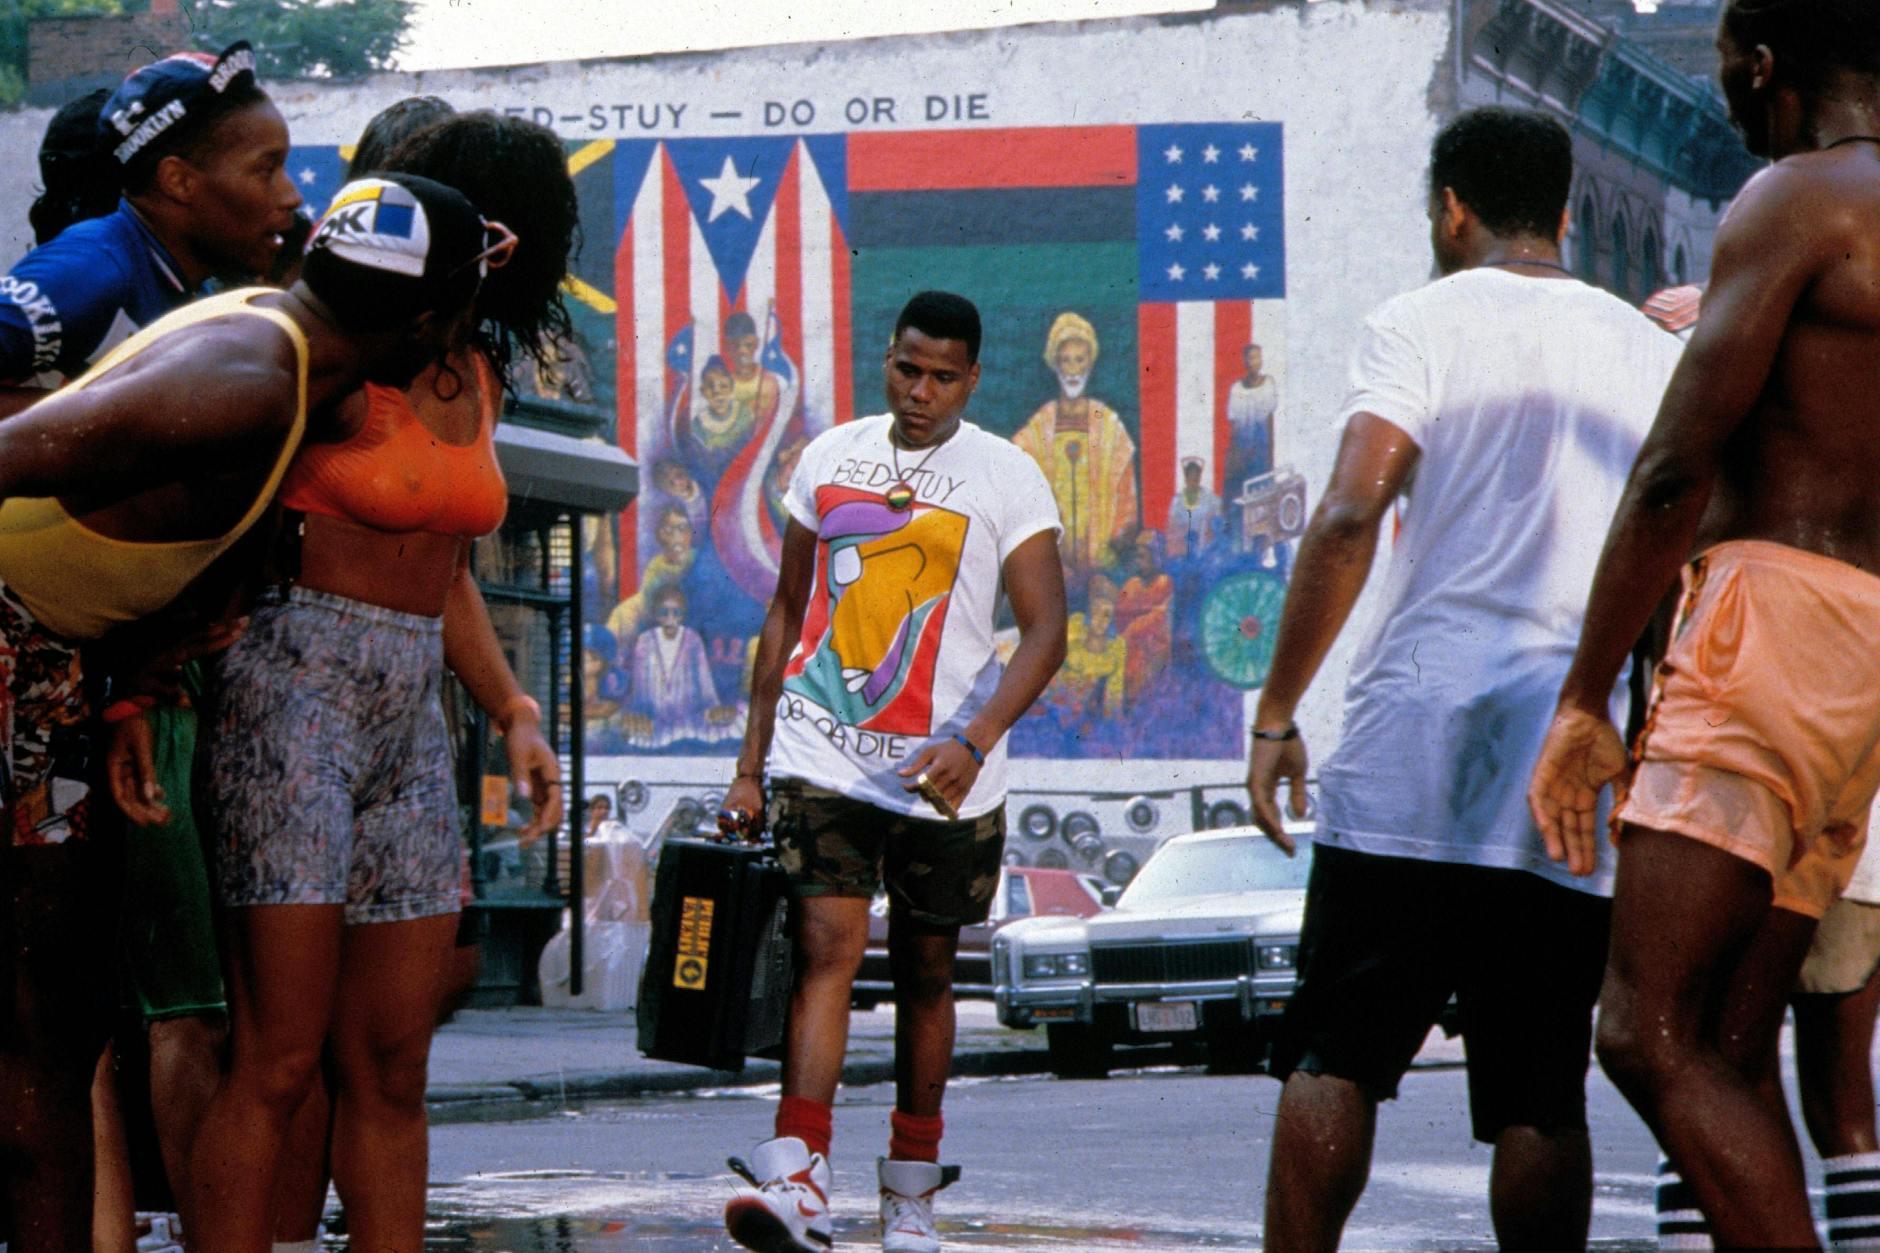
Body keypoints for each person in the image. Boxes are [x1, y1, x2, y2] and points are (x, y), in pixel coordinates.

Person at [0, 169, 490, 1253]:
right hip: (16, 634)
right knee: (43, 1024)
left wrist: (133, 678)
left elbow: (134, 519)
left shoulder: (290, 351)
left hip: (60, 650)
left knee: (62, 1019)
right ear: (424, 317)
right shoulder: (252, 377)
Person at [1245, 107, 1682, 1252]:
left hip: (1409, 745)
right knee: (1539, 1084)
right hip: (1564, 751)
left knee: (1335, 1048)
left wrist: (1277, 709)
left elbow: (1347, 510)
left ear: (1449, 208)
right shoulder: (1648, 348)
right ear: (1567, 214)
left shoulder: (1414, 322)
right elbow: (1676, 550)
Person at [179, 112, 576, 1253]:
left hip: (411, 714)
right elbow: (211, 501)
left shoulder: (480, 371)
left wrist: (510, 705)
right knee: (280, 1052)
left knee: (392, 1060)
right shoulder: (338, 351)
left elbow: (443, 564)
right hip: (291, 691)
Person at [1529, 6, 1880, 1241]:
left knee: (1642, 1026)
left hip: (1768, 624)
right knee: (1731, 1035)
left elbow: (1675, 465)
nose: (1726, 94)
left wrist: (1581, 698)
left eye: (1731, 65)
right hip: (1858, 657)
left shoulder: (1794, 197)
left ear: (1765, 63)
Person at [719, 291, 1065, 1253]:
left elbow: (1047, 632)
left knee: (924, 973)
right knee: (826, 951)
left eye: (943, 376)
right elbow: (787, 614)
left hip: (946, 774)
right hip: (821, 753)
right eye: (908, 369)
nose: (921, 391)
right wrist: (750, 767)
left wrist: (975, 738)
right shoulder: (829, 456)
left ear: (972, 378)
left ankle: (909, 1194)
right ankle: (801, 1176)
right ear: (888, 359)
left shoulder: (1008, 475)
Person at [0, 43, 300, 411]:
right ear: (178, 181)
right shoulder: (90, 268)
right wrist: (108, 417)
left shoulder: (182, 283)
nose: (292, 196)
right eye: (266, 170)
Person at [1011, 311, 1137, 577]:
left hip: (1101, 569)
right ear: (1055, 365)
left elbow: (1127, 503)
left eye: (1079, 360)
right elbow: (1018, 494)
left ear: (1089, 365)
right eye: (1065, 361)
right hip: (1049, 567)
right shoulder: (1037, 429)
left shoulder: (1109, 426)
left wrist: (1109, 550)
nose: (1072, 370)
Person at [621, 587, 739, 748]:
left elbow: (704, 682)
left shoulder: (692, 639)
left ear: (682, 615)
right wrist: (639, 715)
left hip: (690, 717)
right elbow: (639, 685)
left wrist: (713, 709)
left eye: (675, 613)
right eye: (664, 613)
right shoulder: (645, 640)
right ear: (656, 615)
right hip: (655, 720)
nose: (670, 619)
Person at [1223, 341, 1276, 489]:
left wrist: (1270, 457)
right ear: (1245, 361)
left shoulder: (1268, 384)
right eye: (1251, 358)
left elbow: (1269, 422)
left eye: (1258, 358)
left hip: (1261, 453)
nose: (1254, 362)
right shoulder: (1237, 389)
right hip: (1242, 451)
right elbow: (1234, 427)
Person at [1163, 456, 1224, 557]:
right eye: (1190, 479)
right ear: (1186, 479)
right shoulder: (1177, 500)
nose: (1193, 483)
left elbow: (1220, 516)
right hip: (1184, 546)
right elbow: (1171, 524)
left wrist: (1211, 526)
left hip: (1206, 545)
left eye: (1196, 479)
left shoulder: (1210, 497)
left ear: (1200, 478)